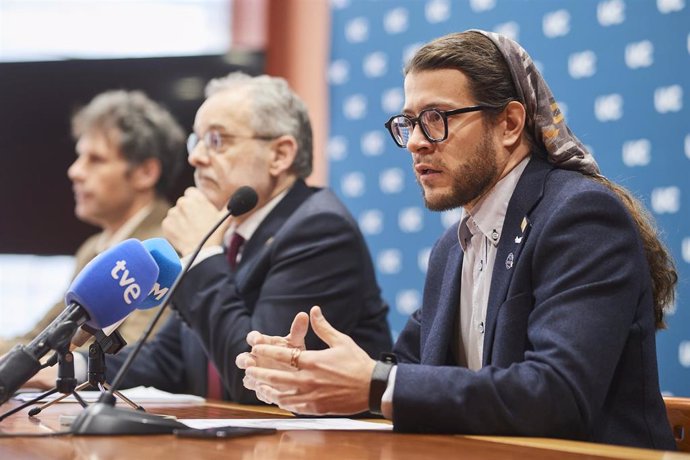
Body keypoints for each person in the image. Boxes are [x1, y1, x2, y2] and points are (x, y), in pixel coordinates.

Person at [238, 30, 678, 450]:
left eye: (436, 119)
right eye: (408, 123)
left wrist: (373, 383)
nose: (415, 143)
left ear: (508, 123)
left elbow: (557, 394)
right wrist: (311, 375)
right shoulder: (452, 246)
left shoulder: (579, 216)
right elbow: (409, 375)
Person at [40, 72, 391, 403]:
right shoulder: (235, 233)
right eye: (197, 140)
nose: (195, 156)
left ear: (280, 155)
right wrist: (67, 369)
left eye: (217, 140)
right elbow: (167, 360)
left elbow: (259, 382)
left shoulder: (319, 229)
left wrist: (202, 255)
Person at [0, 90, 185, 355]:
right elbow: (41, 338)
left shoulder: (165, 249)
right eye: (80, 156)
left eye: (95, 159)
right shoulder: (93, 248)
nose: (75, 171)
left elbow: (130, 353)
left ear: (146, 173)